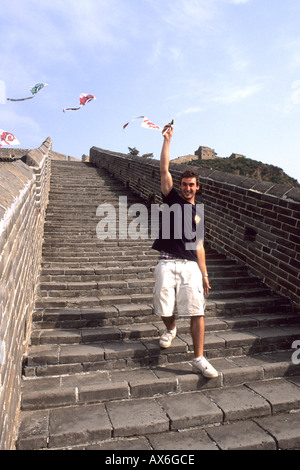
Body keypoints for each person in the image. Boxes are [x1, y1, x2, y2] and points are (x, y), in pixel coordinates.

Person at [152, 122, 218, 378]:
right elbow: (163, 169)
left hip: (190, 265)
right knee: (163, 306)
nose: (187, 188)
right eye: (184, 184)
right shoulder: (172, 199)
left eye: (192, 185)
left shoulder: (198, 214)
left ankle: (199, 358)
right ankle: (170, 328)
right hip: (167, 261)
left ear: (198, 187)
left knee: (196, 310)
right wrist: (168, 140)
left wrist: (205, 274)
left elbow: (199, 246)